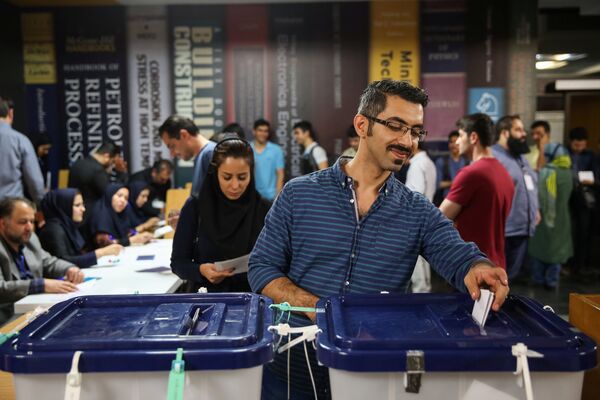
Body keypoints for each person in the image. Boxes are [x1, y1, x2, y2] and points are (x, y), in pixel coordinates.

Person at [248, 80, 510, 399]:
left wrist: (476, 266)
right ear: (363, 124)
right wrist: (318, 307)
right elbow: (262, 267)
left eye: (415, 131)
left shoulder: (417, 211)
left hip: (370, 372)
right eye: (396, 126)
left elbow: (457, 255)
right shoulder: (298, 194)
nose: (407, 141)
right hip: (292, 367)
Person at [171, 136, 271, 293]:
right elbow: (178, 263)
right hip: (207, 299)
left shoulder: (264, 208)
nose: (235, 185)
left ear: (251, 174)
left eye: (242, 177)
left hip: (254, 299)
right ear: (214, 173)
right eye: (227, 177)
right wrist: (200, 270)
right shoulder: (195, 207)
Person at [440, 113, 515, 270]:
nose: (457, 141)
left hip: (472, 266)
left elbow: (440, 218)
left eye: (460, 135)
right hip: (496, 264)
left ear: (473, 137)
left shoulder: (471, 173)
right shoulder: (503, 173)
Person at [0, 197, 84, 324]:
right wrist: (41, 285)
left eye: (32, 221)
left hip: (32, 311)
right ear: (3, 224)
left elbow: (48, 262)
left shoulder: (30, 238)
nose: (29, 228)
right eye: (23, 222)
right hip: (6, 319)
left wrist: (69, 269)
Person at [492, 115, 539, 280]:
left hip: (522, 227)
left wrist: (536, 210)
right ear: (505, 133)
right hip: (504, 231)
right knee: (498, 278)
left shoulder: (521, 157)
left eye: (523, 129)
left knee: (509, 277)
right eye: (518, 130)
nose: (523, 134)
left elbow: (531, 184)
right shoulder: (494, 157)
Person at [38, 189, 123, 268]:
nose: (83, 209)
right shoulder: (54, 230)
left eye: (82, 204)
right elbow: (63, 263)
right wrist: (102, 252)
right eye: (77, 205)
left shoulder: (68, 225)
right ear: (63, 207)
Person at [528, 143, 573, 290]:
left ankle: (538, 278)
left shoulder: (546, 172)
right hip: (562, 217)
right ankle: (552, 281)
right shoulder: (568, 172)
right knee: (557, 250)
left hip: (542, 216)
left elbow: (540, 195)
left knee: (540, 248)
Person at [0, 96, 45, 205]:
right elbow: (34, 181)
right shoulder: (19, 140)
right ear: (10, 113)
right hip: (11, 207)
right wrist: (41, 206)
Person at [405, 141, 437, 293]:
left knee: (415, 258)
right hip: (427, 213)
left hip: (415, 216)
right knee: (424, 256)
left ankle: (420, 290)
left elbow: (416, 194)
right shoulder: (429, 162)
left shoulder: (417, 165)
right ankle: (425, 288)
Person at [159, 115, 216, 198]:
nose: (172, 154)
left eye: (172, 146)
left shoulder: (209, 154)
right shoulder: (204, 155)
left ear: (184, 135)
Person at [567, 127, 598, 274]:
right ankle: (569, 262)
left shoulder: (592, 156)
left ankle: (581, 265)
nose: (579, 148)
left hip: (585, 200)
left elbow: (597, 177)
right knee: (569, 232)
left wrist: (591, 181)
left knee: (584, 233)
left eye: (582, 145)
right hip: (567, 198)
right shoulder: (564, 154)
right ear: (570, 142)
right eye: (575, 145)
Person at [86, 184, 153, 248]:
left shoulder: (120, 214)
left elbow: (128, 231)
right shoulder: (101, 214)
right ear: (110, 195)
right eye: (119, 196)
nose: (123, 200)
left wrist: (137, 234)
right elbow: (106, 244)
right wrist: (131, 240)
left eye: (126, 198)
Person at [68, 141, 122, 213]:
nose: (112, 165)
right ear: (106, 156)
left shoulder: (77, 163)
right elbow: (109, 194)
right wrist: (121, 174)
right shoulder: (98, 170)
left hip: (74, 211)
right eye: (112, 161)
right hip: (91, 213)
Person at [250, 118, 285, 201]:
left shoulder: (276, 150)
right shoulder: (247, 149)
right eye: (260, 130)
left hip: (271, 197)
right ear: (254, 131)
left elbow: (280, 174)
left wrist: (277, 197)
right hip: (251, 197)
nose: (263, 133)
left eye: (266, 131)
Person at [433, 130, 467, 206]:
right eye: (451, 142)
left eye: (456, 142)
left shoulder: (467, 162)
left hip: (465, 203)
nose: (454, 145)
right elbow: (437, 184)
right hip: (446, 202)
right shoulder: (441, 162)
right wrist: (456, 182)